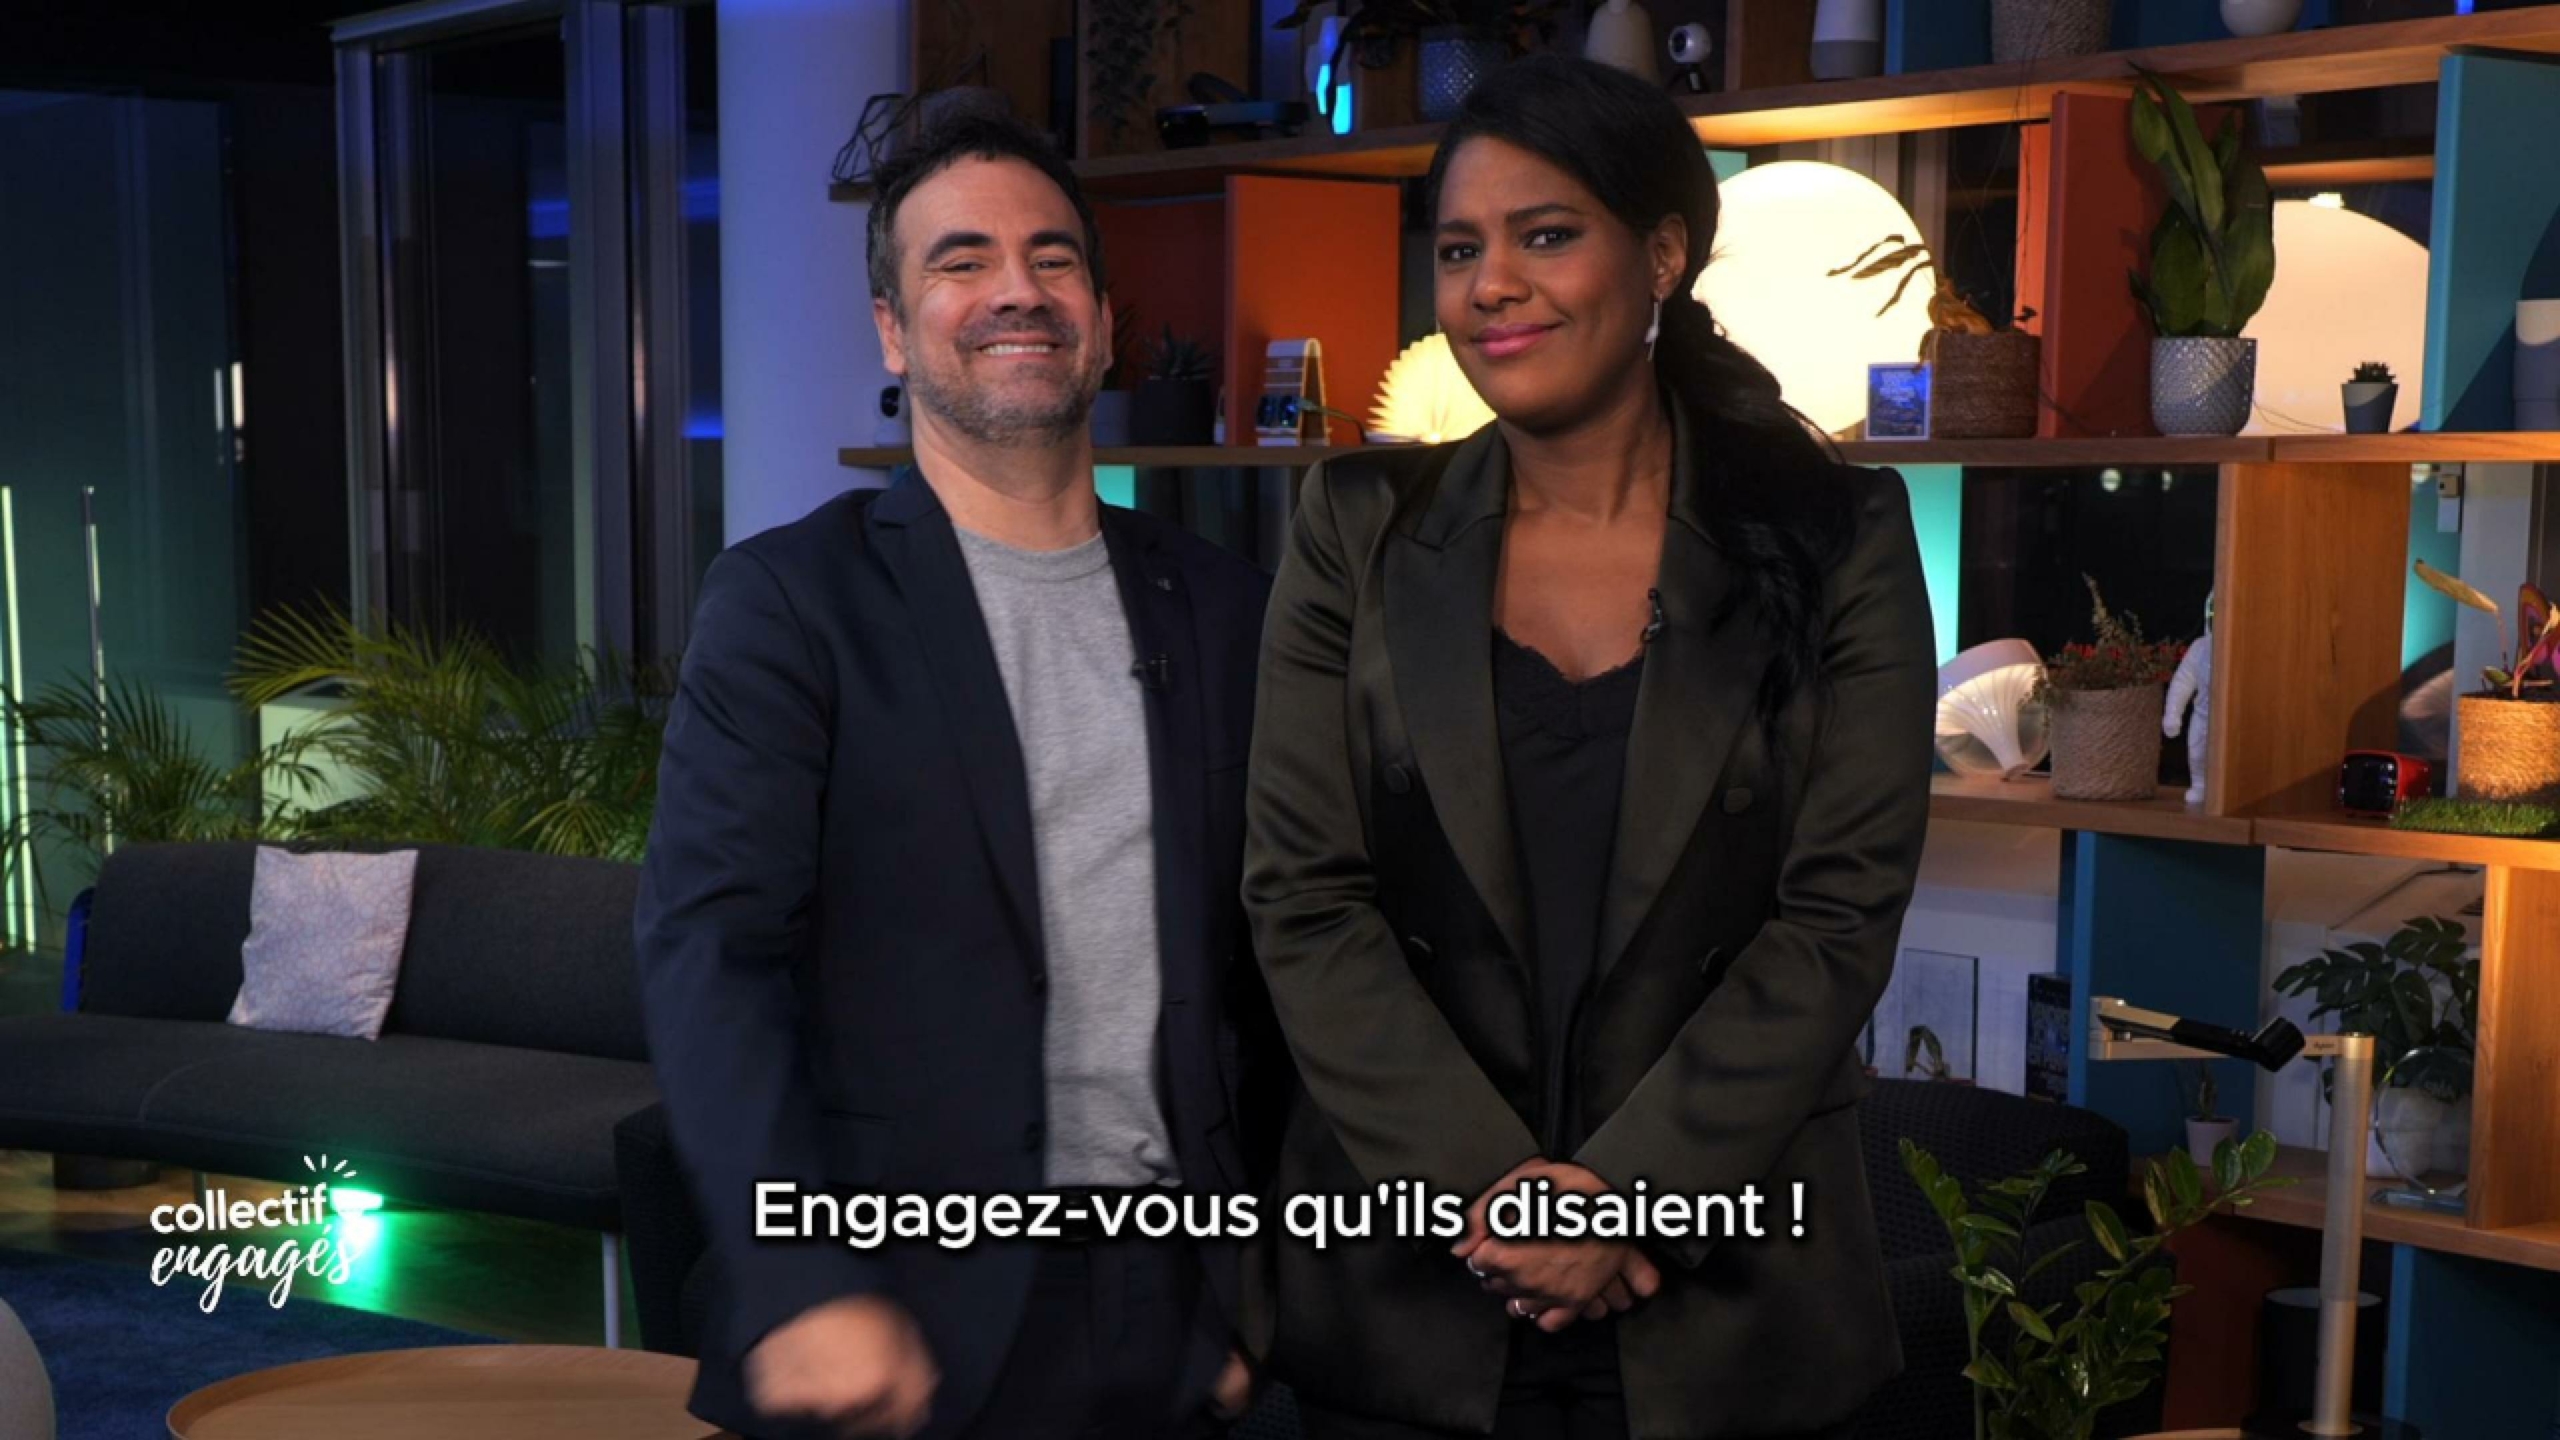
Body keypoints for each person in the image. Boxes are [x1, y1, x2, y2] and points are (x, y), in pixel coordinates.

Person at [1241, 53, 1934, 1440]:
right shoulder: (1354, 525)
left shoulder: (1835, 535)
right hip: (1412, 1291)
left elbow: (1838, 916)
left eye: (1545, 235)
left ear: (1662, 253)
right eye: (1459, 250)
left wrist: (1627, 1203)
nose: (1491, 284)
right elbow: (1305, 897)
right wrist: (1491, 1199)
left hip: (1732, 1295)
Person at [635, 107, 1275, 1440]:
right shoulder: (790, 603)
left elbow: (1281, 960)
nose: (1016, 291)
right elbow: (712, 959)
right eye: (961, 260)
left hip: (1179, 1309)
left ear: (1102, 319)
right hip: (894, 1315)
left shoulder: (1225, 606)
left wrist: (1262, 1299)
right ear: (893, 328)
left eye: (1053, 259)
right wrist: (801, 1281)